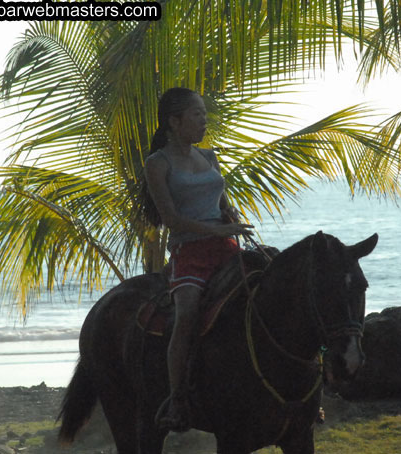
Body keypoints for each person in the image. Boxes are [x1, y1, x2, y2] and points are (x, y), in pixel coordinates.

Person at [143, 87, 254, 432]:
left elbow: (218, 200)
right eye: (197, 114)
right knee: (188, 311)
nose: (204, 120)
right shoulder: (157, 163)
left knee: (266, 288)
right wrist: (218, 232)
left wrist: (229, 213)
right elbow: (171, 219)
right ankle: (177, 399)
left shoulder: (209, 155)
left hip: (225, 248)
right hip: (189, 253)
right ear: (174, 122)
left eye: (204, 113)